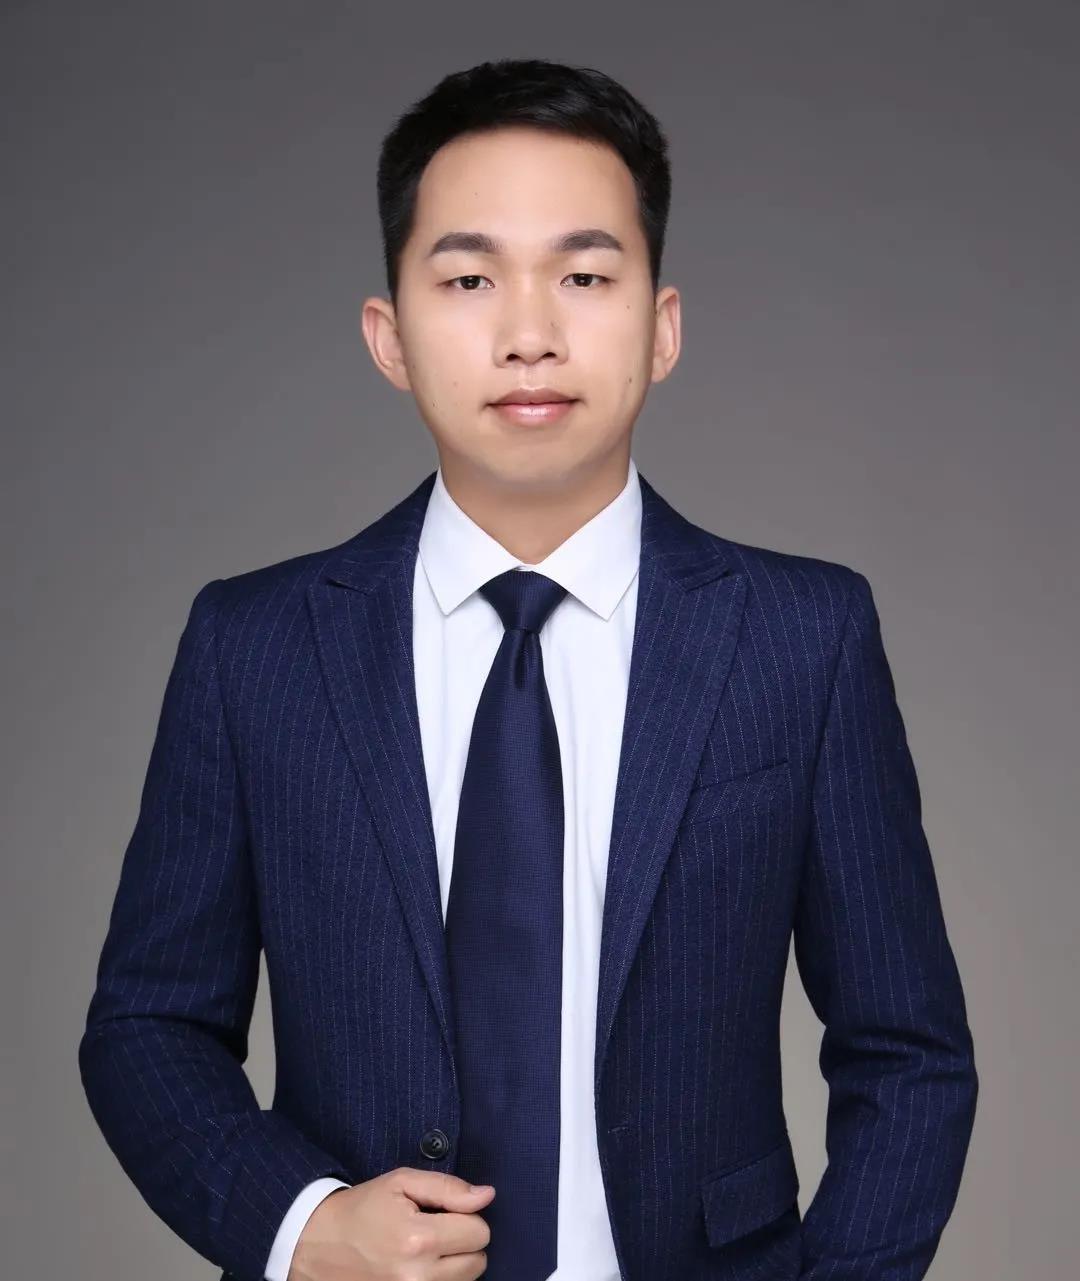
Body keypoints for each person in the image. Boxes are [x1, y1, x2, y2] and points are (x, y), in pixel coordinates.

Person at [78, 57, 978, 1281]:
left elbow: (909, 1053)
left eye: (585, 276)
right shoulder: (256, 647)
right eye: (468, 279)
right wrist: (301, 1227)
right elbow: (147, 1027)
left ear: (662, 325)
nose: (530, 335)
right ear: (389, 337)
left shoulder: (800, 638)